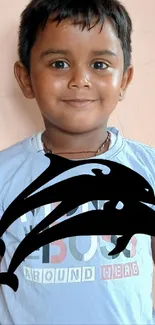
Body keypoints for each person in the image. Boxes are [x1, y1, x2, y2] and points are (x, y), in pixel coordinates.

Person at [0, 0, 155, 324]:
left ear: (124, 80)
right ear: (26, 78)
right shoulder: (4, 175)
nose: (79, 80)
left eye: (99, 64)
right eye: (59, 64)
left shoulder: (149, 168)